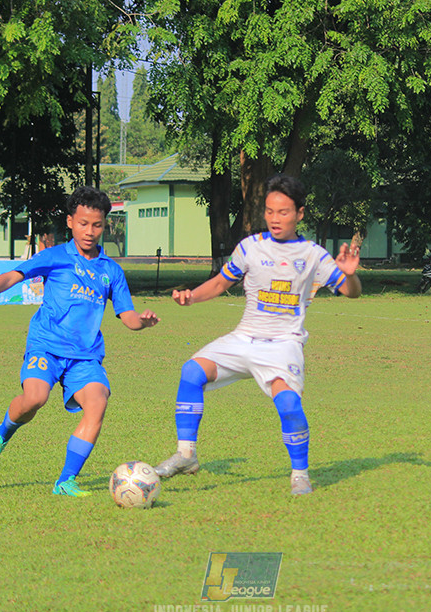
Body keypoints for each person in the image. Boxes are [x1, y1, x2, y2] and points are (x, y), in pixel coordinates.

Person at [153, 173, 362, 495]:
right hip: (244, 338)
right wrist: (191, 296)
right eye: (269, 211)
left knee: (290, 405)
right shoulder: (250, 247)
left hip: (283, 344)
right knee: (192, 371)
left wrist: (350, 275)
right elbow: (222, 283)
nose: (275, 219)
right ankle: (186, 455)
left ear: (300, 213)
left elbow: (351, 292)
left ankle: (300, 475)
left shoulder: (313, 255)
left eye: (283, 212)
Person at [0, 186, 159, 497]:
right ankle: (2, 434)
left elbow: (128, 316)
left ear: (104, 224)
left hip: (85, 357)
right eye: (83, 223)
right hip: (46, 346)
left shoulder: (110, 271)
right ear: (70, 221)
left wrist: (142, 322)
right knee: (34, 399)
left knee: (97, 404)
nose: (90, 231)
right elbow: (13, 276)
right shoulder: (54, 257)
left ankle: (65, 482)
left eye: (97, 225)